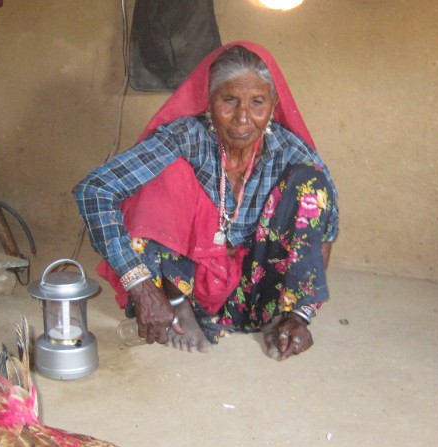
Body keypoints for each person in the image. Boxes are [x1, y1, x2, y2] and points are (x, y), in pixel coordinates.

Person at [74, 41, 339, 360]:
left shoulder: (290, 150)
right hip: (186, 284)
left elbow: (327, 229)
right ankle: (176, 306)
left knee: (311, 183)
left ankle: (279, 318)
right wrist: (141, 285)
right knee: (164, 173)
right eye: (229, 100)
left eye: (257, 102)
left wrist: (301, 314)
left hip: (254, 290)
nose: (243, 118)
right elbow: (95, 190)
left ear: (273, 104)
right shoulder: (185, 136)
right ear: (209, 101)